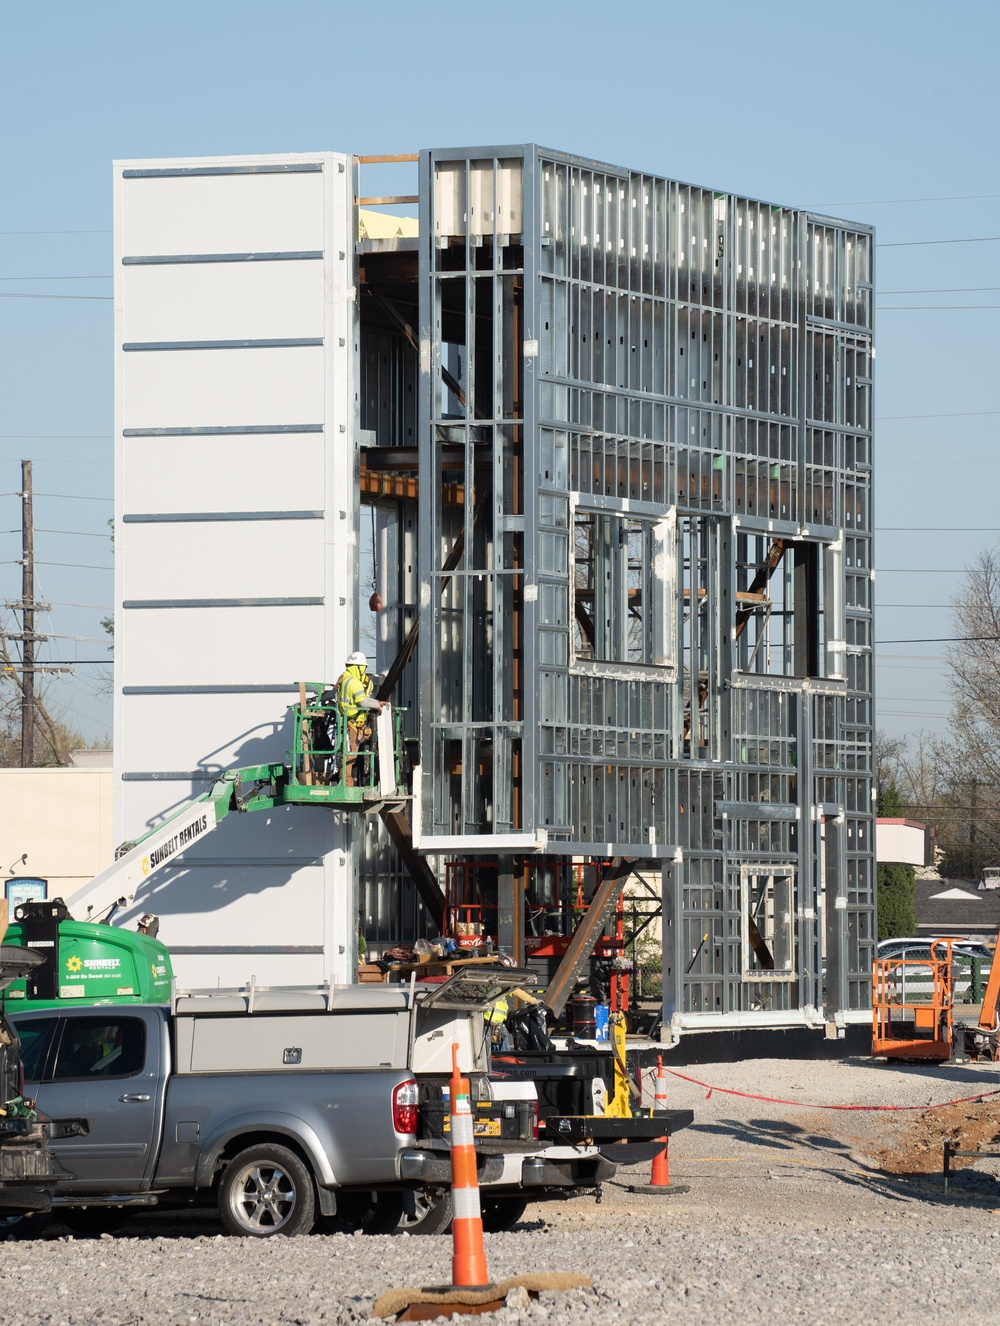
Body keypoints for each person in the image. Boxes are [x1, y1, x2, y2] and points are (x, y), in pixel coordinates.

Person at [337, 652, 383, 787]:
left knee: (351, 753)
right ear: (359, 667)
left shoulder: (345, 680)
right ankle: (346, 783)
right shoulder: (354, 683)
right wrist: (377, 705)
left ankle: (348, 781)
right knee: (350, 755)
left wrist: (376, 702)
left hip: (353, 723)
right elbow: (362, 702)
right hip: (353, 723)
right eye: (364, 668)